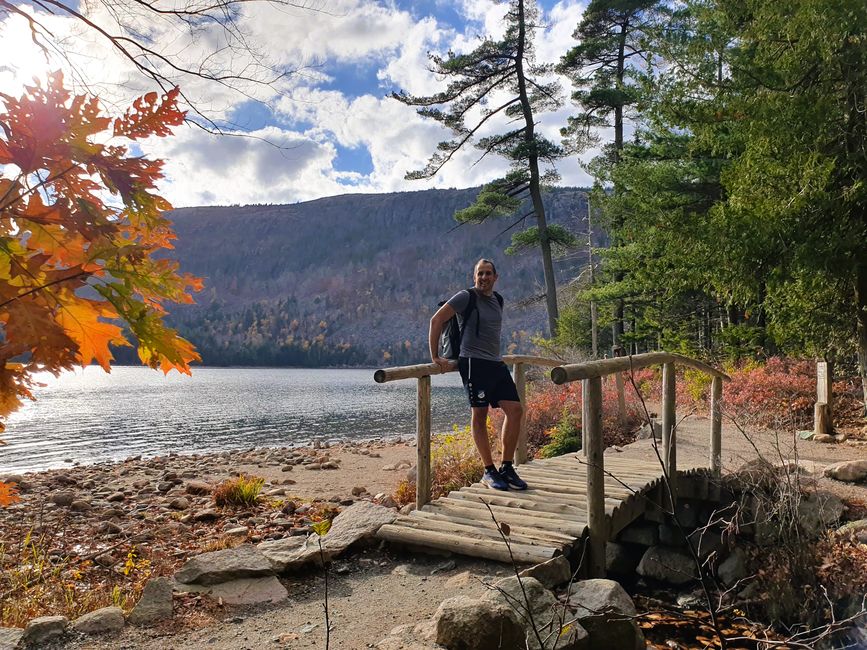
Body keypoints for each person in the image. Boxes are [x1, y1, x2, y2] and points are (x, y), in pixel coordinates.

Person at [429, 259, 527, 491]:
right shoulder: (466, 296)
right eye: (479, 274)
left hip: (495, 363)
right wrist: (435, 357)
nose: (483, 277)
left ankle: (506, 467)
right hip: (473, 363)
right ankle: (489, 470)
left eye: (487, 273)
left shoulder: (498, 300)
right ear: (474, 277)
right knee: (479, 414)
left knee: (515, 410)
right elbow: (436, 320)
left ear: (495, 276)